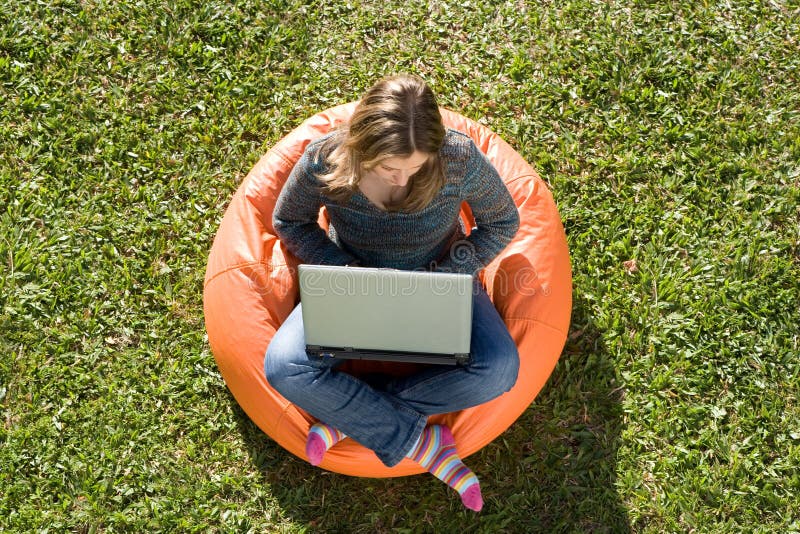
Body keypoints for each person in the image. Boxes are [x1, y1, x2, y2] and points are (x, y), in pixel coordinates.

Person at [264, 74, 520, 512]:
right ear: (361, 146)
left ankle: (354, 419)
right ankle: (424, 443)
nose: (402, 180)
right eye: (388, 168)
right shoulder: (325, 160)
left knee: (500, 369)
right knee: (283, 367)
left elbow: (502, 221)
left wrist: (451, 271)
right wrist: (341, 269)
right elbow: (290, 221)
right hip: (353, 281)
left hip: (439, 275)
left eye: (416, 168)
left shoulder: (456, 158)